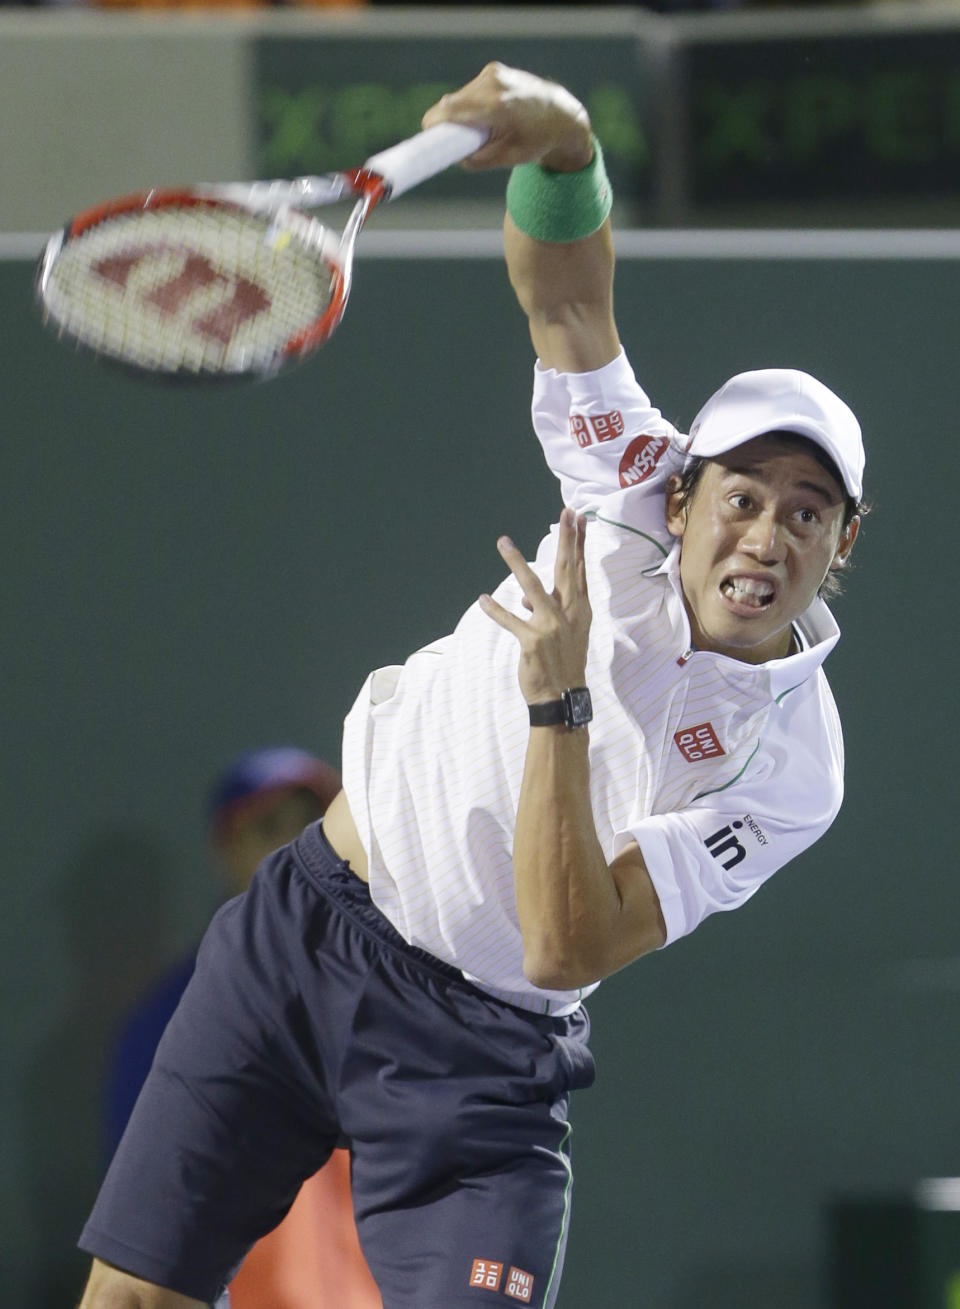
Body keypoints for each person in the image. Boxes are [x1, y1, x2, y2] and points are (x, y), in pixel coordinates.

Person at [76, 62, 866, 1309]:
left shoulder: (793, 766)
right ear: (683, 494)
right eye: (744, 498)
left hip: (479, 1058)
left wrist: (560, 699)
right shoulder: (629, 479)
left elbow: (565, 944)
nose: (766, 536)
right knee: (132, 1299)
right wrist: (566, 146)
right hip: (305, 937)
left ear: (843, 545)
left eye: (807, 513)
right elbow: (567, 297)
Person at [103, 748, 378, 1309]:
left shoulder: (381, 996)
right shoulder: (177, 1012)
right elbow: (147, 1218)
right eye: (269, 826)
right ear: (224, 848)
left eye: (312, 826)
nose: (296, 846)